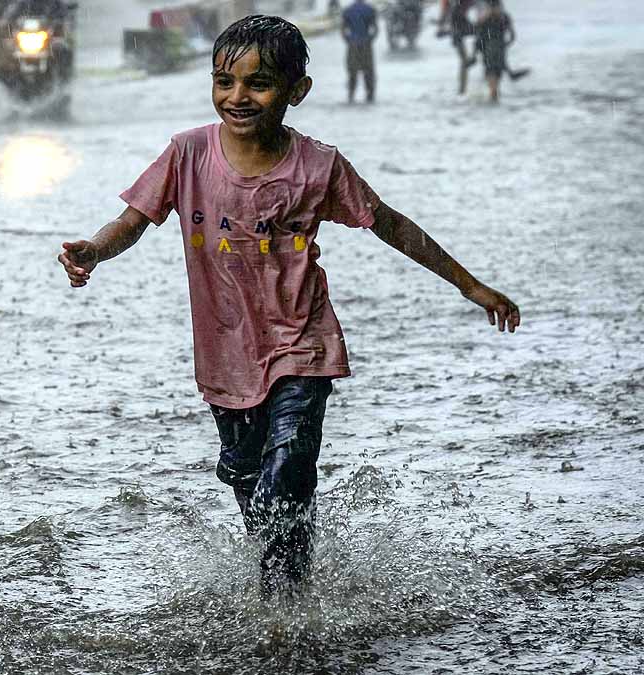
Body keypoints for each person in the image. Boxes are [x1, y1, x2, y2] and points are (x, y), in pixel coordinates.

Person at [56, 15, 519, 594]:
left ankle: (286, 618)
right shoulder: (187, 153)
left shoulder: (318, 166)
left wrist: (467, 284)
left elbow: (390, 225)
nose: (238, 97)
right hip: (225, 355)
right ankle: (289, 598)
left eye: (259, 83)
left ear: (296, 91)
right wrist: (95, 250)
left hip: (303, 344)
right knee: (252, 486)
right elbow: (133, 220)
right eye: (224, 81)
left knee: (285, 477)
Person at [474, 0, 528, 103]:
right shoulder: (504, 17)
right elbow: (512, 36)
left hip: (490, 50)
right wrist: (504, 45)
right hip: (498, 50)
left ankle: (493, 98)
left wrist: (476, 51)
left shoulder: (485, 18)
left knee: (492, 75)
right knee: (495, 76)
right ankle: (494, 98)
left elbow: (477, 35)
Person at [341, 0, 378, 103]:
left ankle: (351, 95)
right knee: (368, 72)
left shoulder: (348, 10)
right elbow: (375, 29)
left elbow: (343, 30)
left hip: (353, 45)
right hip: (366, 44)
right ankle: (370, 96)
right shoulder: (370, 10)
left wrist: (349, 40)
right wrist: (369, 39)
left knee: (352, 72)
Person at [439, 0, 478, 95]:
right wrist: (441, 26)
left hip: (461, 25)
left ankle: (462, 90)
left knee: (465, 60)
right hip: (456, 27)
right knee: (464, 60)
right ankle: (462, 90)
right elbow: (445, 11)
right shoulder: (453, 5)